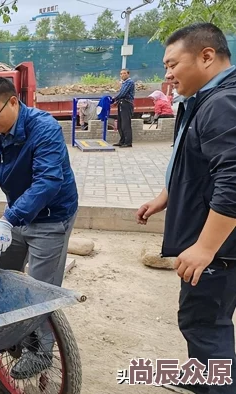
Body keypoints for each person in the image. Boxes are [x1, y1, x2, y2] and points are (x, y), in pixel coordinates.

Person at [135, 23, 236, 394]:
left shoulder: (222, 103)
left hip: (219, 250)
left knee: (205, 324)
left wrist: (206, 248)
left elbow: (233, 180)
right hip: (217, 241)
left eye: (173, 64)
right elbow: (198, 163)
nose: (167, 73)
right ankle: (201, 379)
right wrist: (166, 195)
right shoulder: (206, 98)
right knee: (204, 321)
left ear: (206, 56)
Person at [0, 76, 78, 380]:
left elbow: (48, 181)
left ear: (13, 102)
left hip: (51, 217)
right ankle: (14, 334)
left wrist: (8, 220)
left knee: (40, 287)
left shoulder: (44, 128)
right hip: (15, 215)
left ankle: (40, 351)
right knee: (5, 277)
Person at [111, 69, 135, 147]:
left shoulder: (129, 82)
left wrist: (114, 99)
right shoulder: (124, 83)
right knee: (120, 124)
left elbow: (123, 93)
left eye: (124, 73)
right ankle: (122, 141)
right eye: (121, 74)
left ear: (128, 74)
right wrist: (116, 101)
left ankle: (128, 142)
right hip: (121, 103)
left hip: (126, 104)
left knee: (125, 124)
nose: (122, 75)